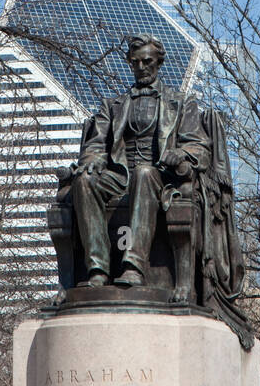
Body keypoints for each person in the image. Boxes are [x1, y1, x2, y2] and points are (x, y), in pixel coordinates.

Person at [71, 34, 209, 286]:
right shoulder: (113, 105)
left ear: (159, 62)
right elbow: (95, 145)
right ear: (129, 63)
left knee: (144, 173)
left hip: (159, 177)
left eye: (147, 61)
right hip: (119, 176)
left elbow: (199, 146)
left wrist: (181, 153)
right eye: (136, 62)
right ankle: (97, 269)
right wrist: (95, 160)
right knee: (84, 179)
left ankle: (133, 265)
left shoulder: (180, 103)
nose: (142, 67)